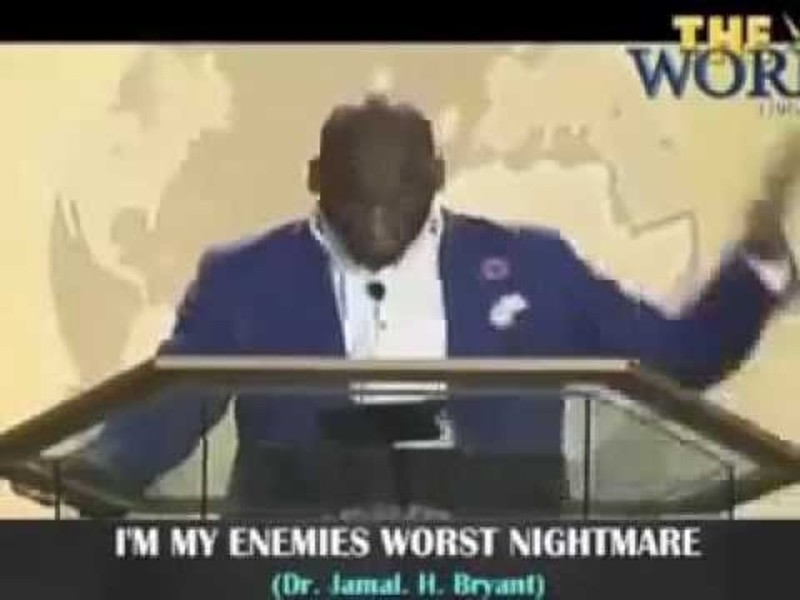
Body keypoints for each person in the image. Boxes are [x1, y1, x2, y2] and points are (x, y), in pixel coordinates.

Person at [40, 94, 800, 516]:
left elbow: (679, 360)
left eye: (398, 196)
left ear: (436, 176)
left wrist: (760, 261)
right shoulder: (246, 278)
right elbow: (168, 409)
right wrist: (86, 468)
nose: (376, 222)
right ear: (316, 180)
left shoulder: (535, 267)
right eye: (353, 198)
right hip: (300, 557)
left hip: (499, 554)